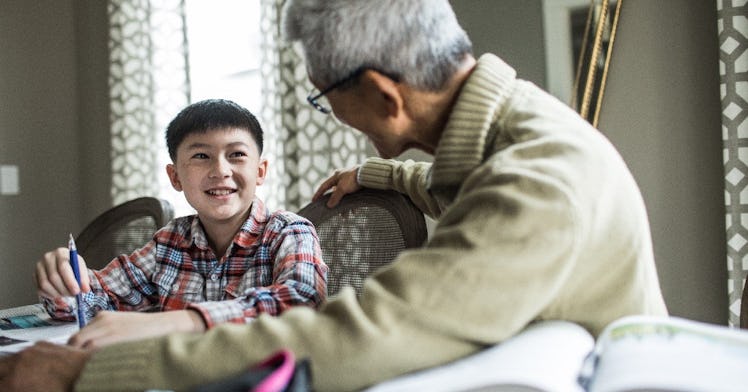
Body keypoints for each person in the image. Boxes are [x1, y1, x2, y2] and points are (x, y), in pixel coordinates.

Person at [0, 1, 667, 391]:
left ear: (382, 93)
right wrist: (371, 174)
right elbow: (441, 184)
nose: (329, 111)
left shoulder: (536, 178)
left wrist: (85, 376)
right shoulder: (510, 134)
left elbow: (364, 332)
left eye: (324, 99)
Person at [33, 98, 327, 348]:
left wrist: (183, 320)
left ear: (260, 171)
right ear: (175, 177)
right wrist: (64, 283)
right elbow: (99, 299)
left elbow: (301, 300)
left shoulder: (290, 231)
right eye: (201, 156)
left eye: (236, 155)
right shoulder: (170, 241)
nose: (220, 170)